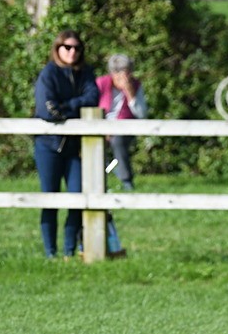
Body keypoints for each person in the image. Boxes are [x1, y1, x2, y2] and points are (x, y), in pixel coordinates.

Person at [34, 30, 98, 258]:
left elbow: (92, 99)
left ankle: (69, 251)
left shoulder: (86, 73)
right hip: (48, 145)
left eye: (77, 48)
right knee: (50, 199)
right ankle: (51, 253)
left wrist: (66, 107)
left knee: (78, 198)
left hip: (75, 147)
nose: (72, 52)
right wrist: (71, 109)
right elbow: (46, 109)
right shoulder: (48, 74)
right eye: (67, 47)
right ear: (58, 49)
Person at [95, 54, 147, 191]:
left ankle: (126, 181)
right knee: (95, 147)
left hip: (126, 128)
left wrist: (130, 93)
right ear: (112, 73)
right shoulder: (101, 83)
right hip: (102, 127)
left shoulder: (136, 85)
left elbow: (141, 114)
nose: (124, 76)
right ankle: (104, 177)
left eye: (127, 71)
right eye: (119, 72)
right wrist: (103, 129)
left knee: (117, 143)